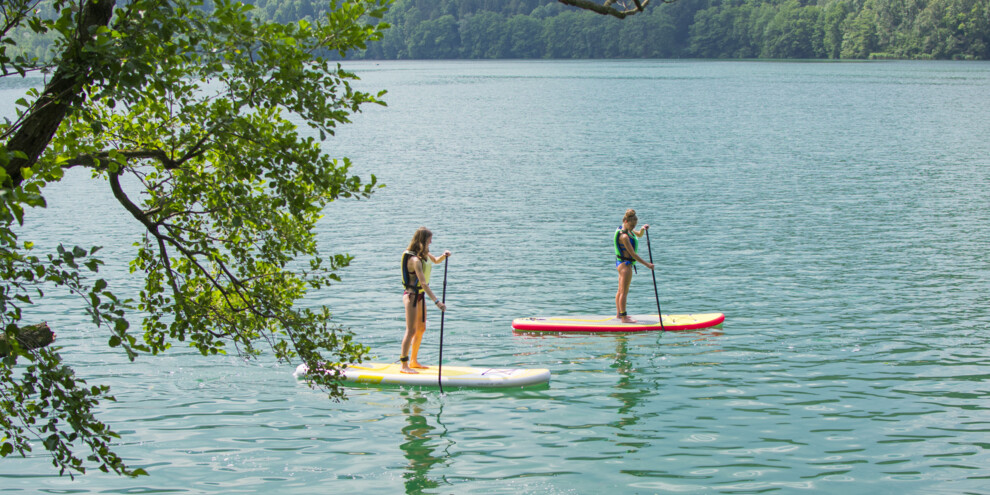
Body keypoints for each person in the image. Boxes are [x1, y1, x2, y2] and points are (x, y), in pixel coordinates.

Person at [400, 227, 450, 374]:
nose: (431, 242)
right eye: (429, 240)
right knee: (411, 330)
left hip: (421, 296)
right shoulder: (414, 259)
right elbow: (423, 284)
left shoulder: (424, 254)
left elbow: (436, 260)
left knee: (421, 329)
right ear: (422, 241)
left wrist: (444, 256)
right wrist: (437, 302)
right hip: (411, 296)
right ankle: (404, 365)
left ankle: (414, 361)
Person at [614, 209, 654, 323]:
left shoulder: (626, 230)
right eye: (632, 225)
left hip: (621, 263)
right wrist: (648, 265)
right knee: (624, 292)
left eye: (635, 226)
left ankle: (619, 314)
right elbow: (633, 254)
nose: (633, 228)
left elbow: (639, 235)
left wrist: (642, 229)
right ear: (626, 221)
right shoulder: (624, 237)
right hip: (625, 265)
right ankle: (624, 318)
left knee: (620, 290)